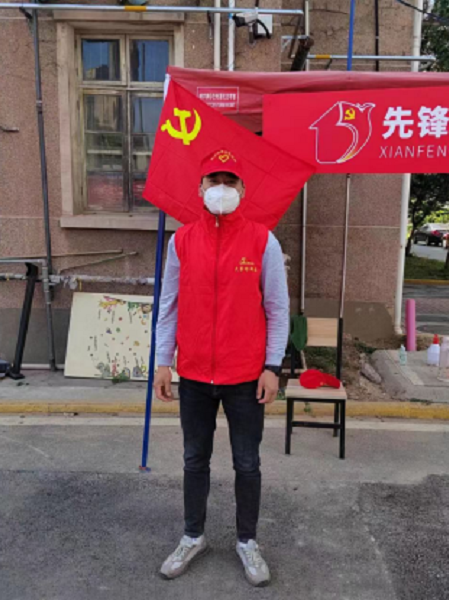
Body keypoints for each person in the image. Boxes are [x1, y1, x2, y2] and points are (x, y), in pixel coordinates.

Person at [153, 148, 289, 587]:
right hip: (194, 374)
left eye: (231, 181)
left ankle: (247, 542)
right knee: (195, 459)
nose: (222, 189)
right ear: (200, 188)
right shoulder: (181, 242)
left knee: (247, 463)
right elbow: (169, 304)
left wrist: (272, 366)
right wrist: (162, 361)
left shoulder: (263, 241)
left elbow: (277, 308)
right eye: (214, 180)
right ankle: (192, 536)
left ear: (243, 190)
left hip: (246, 376)